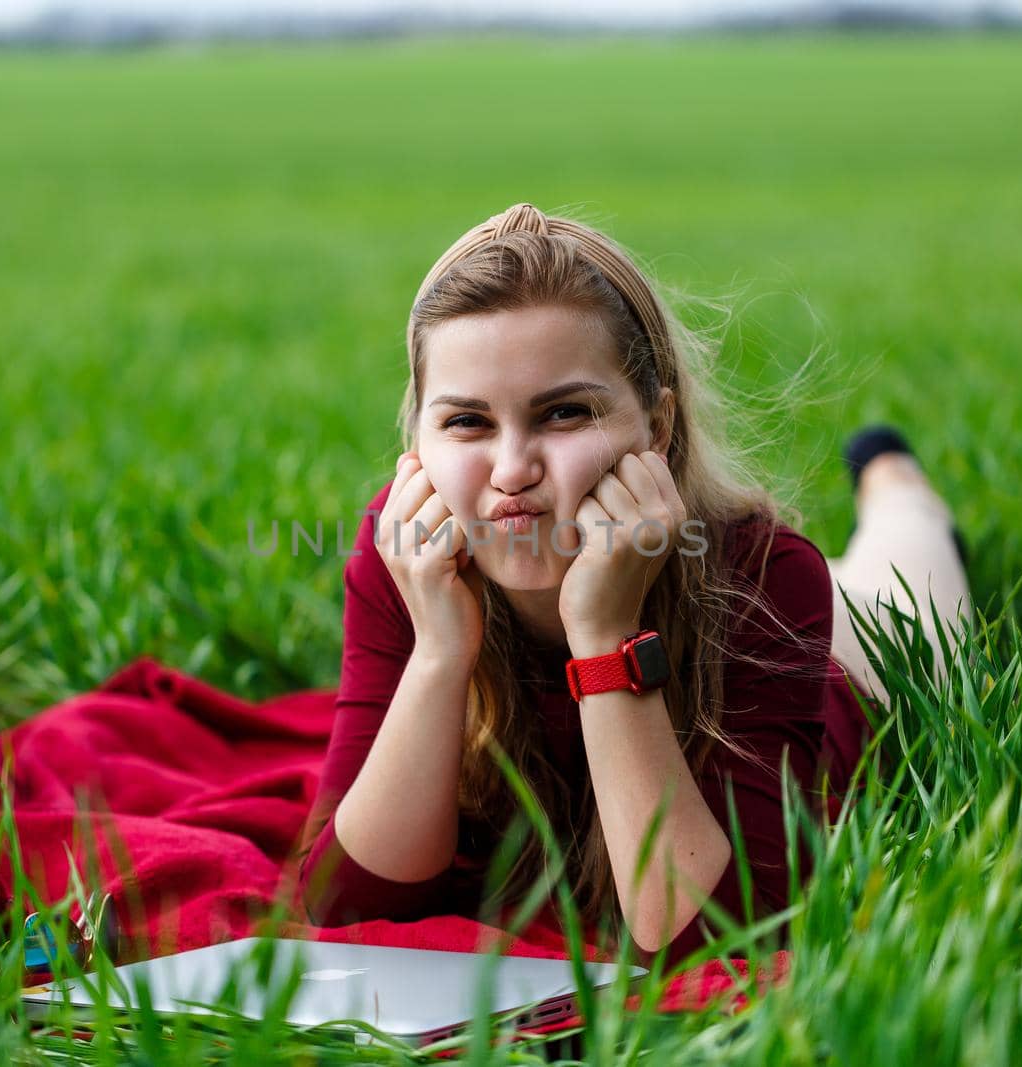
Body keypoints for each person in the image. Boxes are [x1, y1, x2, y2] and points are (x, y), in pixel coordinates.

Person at [293, 203, 973, 960]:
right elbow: (341, 902)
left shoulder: (765, 575)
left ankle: (893, 475)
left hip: (846, 665)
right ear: (416, 439)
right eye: (467, 423)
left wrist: (605, 635)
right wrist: (439, 652)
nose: (513, 470)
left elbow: (717, 935)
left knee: (907, 574)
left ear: (658, 424)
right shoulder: (405, 556)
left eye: (563, 413)